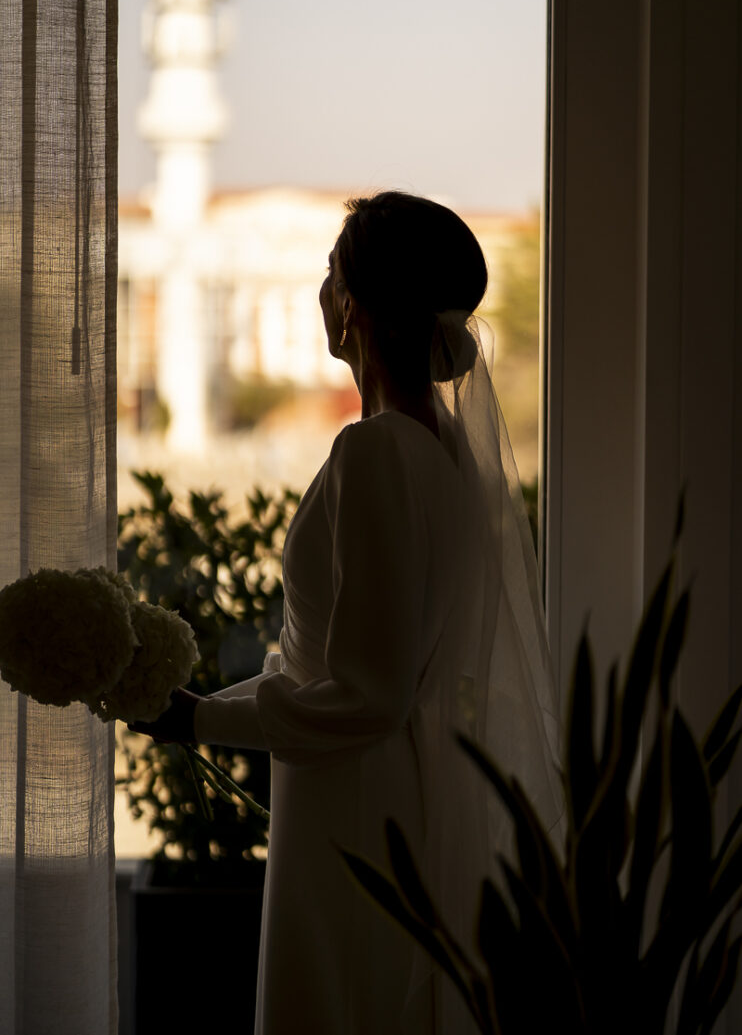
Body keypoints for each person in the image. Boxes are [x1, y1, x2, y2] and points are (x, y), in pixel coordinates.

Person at [133, 192, 563, 1035]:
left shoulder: (373, 452)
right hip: (390, 794)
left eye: (331, 270)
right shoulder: (450, 459)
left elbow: (368, 691)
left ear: (356, 304)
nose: (321, 289)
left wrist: (200, 721)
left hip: (353, 806)